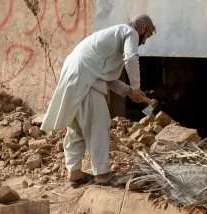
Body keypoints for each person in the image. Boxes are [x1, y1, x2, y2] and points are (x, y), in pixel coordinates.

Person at [40, 14, 156, 187]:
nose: (145, 41)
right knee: (98, 125)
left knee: (76, 128)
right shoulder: (129, 32)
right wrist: (137, 86)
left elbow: (108, 80)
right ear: (142, 29)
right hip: (87, 79)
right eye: (146, 36)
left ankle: (75, 173)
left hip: (74, 75)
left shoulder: (112, 38)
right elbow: (131, 59)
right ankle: (102, 175)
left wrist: (129, 91)